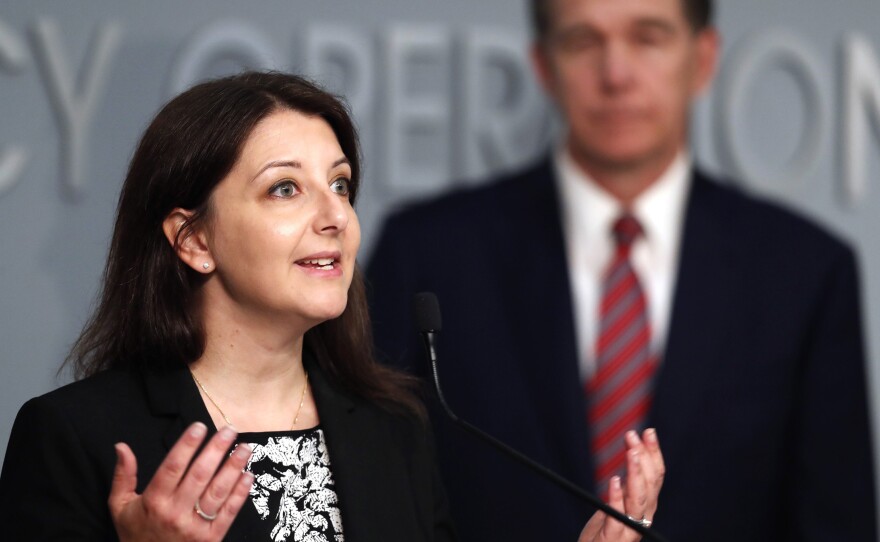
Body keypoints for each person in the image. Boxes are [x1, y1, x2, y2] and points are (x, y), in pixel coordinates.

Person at [0, 71, 663, 541]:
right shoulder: (75, 438)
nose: (335, 217)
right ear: (194, 240)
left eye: (341, 185)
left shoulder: (393, 428)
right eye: (285, 189)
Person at [366, 0, 877, 541]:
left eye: (648, 38)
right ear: (543, 65)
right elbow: (373, 497)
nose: (616, 74)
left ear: (703, 59)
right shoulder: (428, 254)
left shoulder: (804, 273)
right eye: (583, 41)